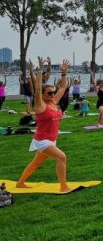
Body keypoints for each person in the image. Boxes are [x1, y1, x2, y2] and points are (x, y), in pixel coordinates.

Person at [16, 58, 71, 192]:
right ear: (43, 95)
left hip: (51, 139)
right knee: (61, 157)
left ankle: (20, 183)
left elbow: (63, 87)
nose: (53, 94)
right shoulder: (40, 105)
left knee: (37, 162)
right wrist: (40, 71)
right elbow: (37, 88)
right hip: (42, 140)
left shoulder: (53, 102)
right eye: (50, 93)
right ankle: (63, 186)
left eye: (53, 92)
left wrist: (64, 73)